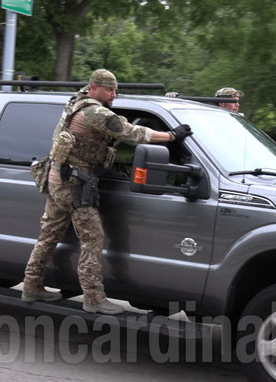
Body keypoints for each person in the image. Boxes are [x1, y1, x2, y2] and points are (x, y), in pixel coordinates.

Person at [22, 69, 193, 315]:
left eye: (115, 89)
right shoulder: (96, 112)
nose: (114, 94)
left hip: (57, 178)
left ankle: (31, 284)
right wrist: (172, 135)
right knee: (92, 239)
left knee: (49, 234)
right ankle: (93, 297)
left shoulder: (76, 103)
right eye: (108, 89)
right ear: (93, 88)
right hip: (74, 184)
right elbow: (133, 133)